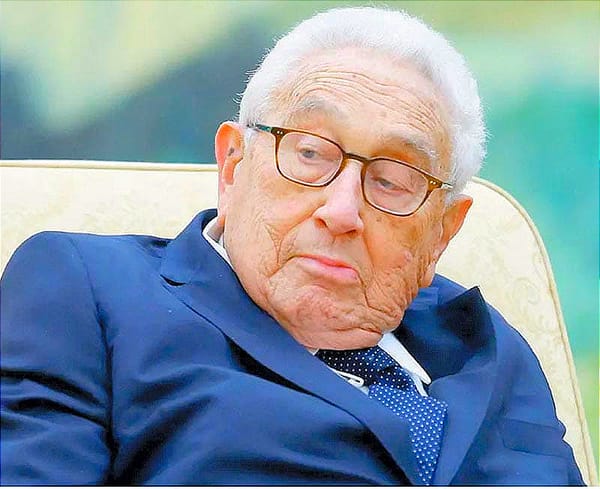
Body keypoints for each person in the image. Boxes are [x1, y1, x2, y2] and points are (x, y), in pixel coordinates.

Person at [0, 6, 584, 486]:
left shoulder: (489, 348)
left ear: (442, 233)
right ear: (233, 165)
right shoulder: (88, 288)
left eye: (392, 180)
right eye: (309, 153)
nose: (342, 211)